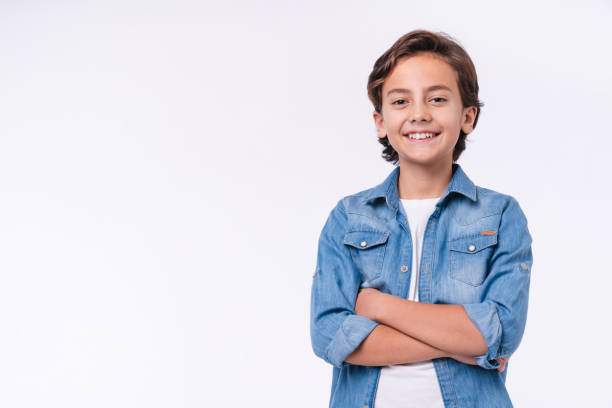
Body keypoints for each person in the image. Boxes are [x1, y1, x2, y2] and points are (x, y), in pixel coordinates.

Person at [309, 29, 533, 408]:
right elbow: (330, 335)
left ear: (467, 115)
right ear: (380, 121)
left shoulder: (499, 215)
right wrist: (463, 344)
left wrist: (380, 308)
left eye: (437, 98)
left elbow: (500, 331)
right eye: (401, 101)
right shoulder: (348, 218)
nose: (419, 114)